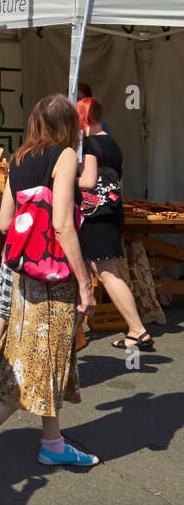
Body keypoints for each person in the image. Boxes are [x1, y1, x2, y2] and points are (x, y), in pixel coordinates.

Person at [0, 95, 101, 471]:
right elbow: (62, 223)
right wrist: (85, 284)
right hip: (56, 278)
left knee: (40, 353)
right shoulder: (65, 156)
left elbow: (7, 223)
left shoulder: (21, 158)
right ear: (67, 125)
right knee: (43, 358)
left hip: (27, 275)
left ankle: (52, 442)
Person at [77, 96, 153, 351]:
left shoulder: (89, 144)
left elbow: (87, 181)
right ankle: (135, 329)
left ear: (83, 117)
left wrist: (64, 180)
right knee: (108, 272)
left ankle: (137, 329)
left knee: (107, 274)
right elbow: (118, 182)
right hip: (111, 212)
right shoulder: (112, 143)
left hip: (96, 216)